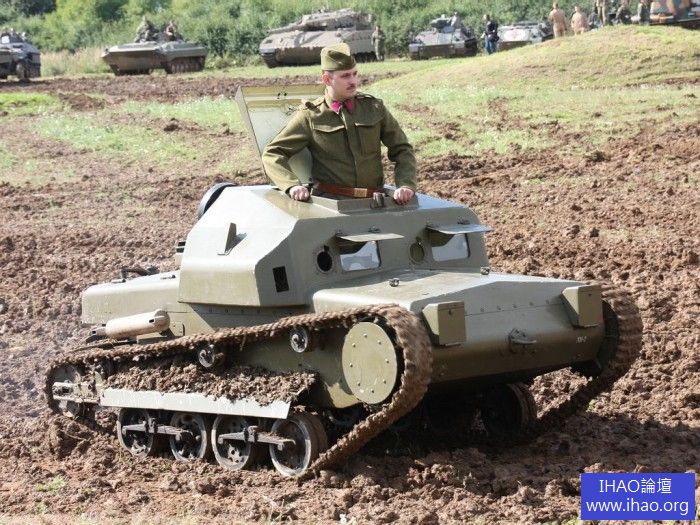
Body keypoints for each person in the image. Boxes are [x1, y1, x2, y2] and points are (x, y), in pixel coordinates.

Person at [262, 43, 416, 204]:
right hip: (330, 205)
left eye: (355, 74)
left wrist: (406, 184)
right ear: (327, 79)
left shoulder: (374, 108)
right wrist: (291, 185)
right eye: (345, 76)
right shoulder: (311, 115)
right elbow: (272, 153)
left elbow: (402, 149)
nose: (353, 81)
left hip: (374, 202)